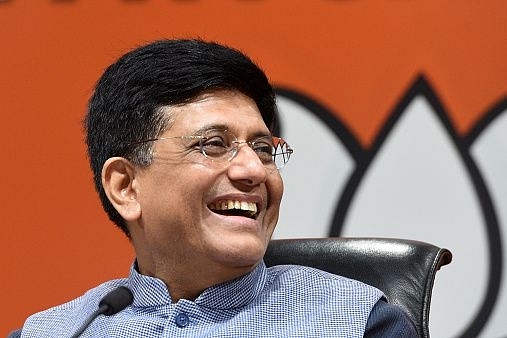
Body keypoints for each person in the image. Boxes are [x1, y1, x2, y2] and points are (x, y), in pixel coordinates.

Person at [18, 39, 417, 337]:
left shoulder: (357, 322)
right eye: (214, 145)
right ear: (126, 187)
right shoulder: (59, 331)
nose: (253, 170)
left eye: (263, 149)